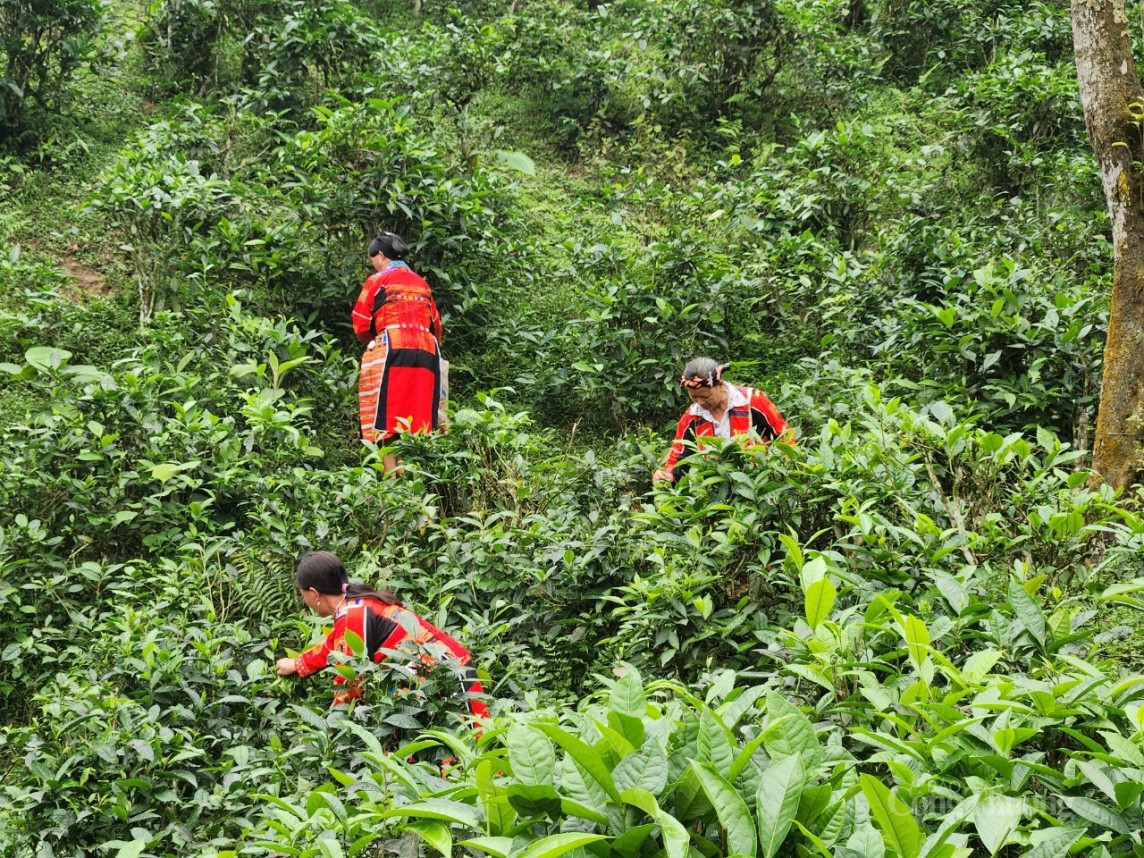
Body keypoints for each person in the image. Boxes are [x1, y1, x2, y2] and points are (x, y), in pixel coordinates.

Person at [276, 551, 488, 719]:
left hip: (447, 673)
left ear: (314, 593)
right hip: (438, 670)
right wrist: (298, 664)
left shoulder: (353, 614)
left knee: (471, 746)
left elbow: (350, 678)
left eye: (302, 594)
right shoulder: (353, 606)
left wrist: (332, 724)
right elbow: (333, 646)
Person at [352, 231, 444, 474]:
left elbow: (360, 322)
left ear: (380, 256)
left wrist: (372, 341)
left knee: (386, 417)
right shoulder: (422, 283)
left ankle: (393, 480)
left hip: (392, 347)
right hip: (426, 350)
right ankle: (414, 480)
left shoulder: (378, 280)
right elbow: (436, 325)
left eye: (372, 258)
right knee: (418, 418)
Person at [652, 357, 791, 485]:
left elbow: (784, 435)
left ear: (720, 386)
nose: (700, 402)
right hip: (716, 487)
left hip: (758, 481)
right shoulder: (692, 416)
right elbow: (680, 454)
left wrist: (783, 471)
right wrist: (668, 475)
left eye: (706, 396)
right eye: (694, 397)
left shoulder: (752, 400)